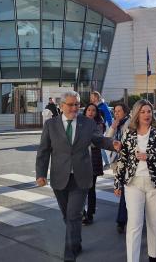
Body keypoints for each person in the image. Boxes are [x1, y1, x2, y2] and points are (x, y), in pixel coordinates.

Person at [36, 91, 119, 261]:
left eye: (77, 104)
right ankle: (76, 241)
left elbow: (99, 140)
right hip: (60, 177)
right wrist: (41, 174)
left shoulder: (87, 123)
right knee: (67, 216)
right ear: (61, 106)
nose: (74, 108)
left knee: (74, 215)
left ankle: (69, 254)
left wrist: (113, 144)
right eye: (70, 104)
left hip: (81, 177)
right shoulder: (51, 125)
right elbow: (43, 151)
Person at [114, 100, 156, 262]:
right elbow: (123, 159)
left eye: (149, 111)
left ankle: (153, 258)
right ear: (136, 114)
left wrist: (150, 157)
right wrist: (117, 182)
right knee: (134, 225)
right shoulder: (129, 133)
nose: (147, 114)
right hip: (133, 184)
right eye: (143, 112)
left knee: (154, 224)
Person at [105, 102, 130, 233]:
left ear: (125, 112)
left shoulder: (130, 123)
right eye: (115, 111)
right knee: (123, 191)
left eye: (119, 111)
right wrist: (113, 127)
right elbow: (107, 140)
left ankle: (122, 220)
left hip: (128, 162)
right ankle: (123, 219)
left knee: (126, 191)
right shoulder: (116, 124)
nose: (117, 113)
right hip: (118, 161)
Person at [81, 103, 105, 225]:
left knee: (91, 188)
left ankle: (89, 214)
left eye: (93, 110)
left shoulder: (99, 124)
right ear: (85, 112)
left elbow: (97, 141)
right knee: (80, 188)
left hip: (93, 159)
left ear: (96, 113)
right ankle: (82, 212)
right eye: (88, 110)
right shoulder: (79, 123)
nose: (90, 112)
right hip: (80, 160)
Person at [90, 91, 114, 167]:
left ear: (96, 97)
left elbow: (109, 116)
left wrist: (110, 127)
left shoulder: (102, 106)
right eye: (91, 97)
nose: (91, 98)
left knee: (99, 145)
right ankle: (104, 163)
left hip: (100, 128)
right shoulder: (94, 106)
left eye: (92, 97)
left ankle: (107, 163)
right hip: (93, 128)